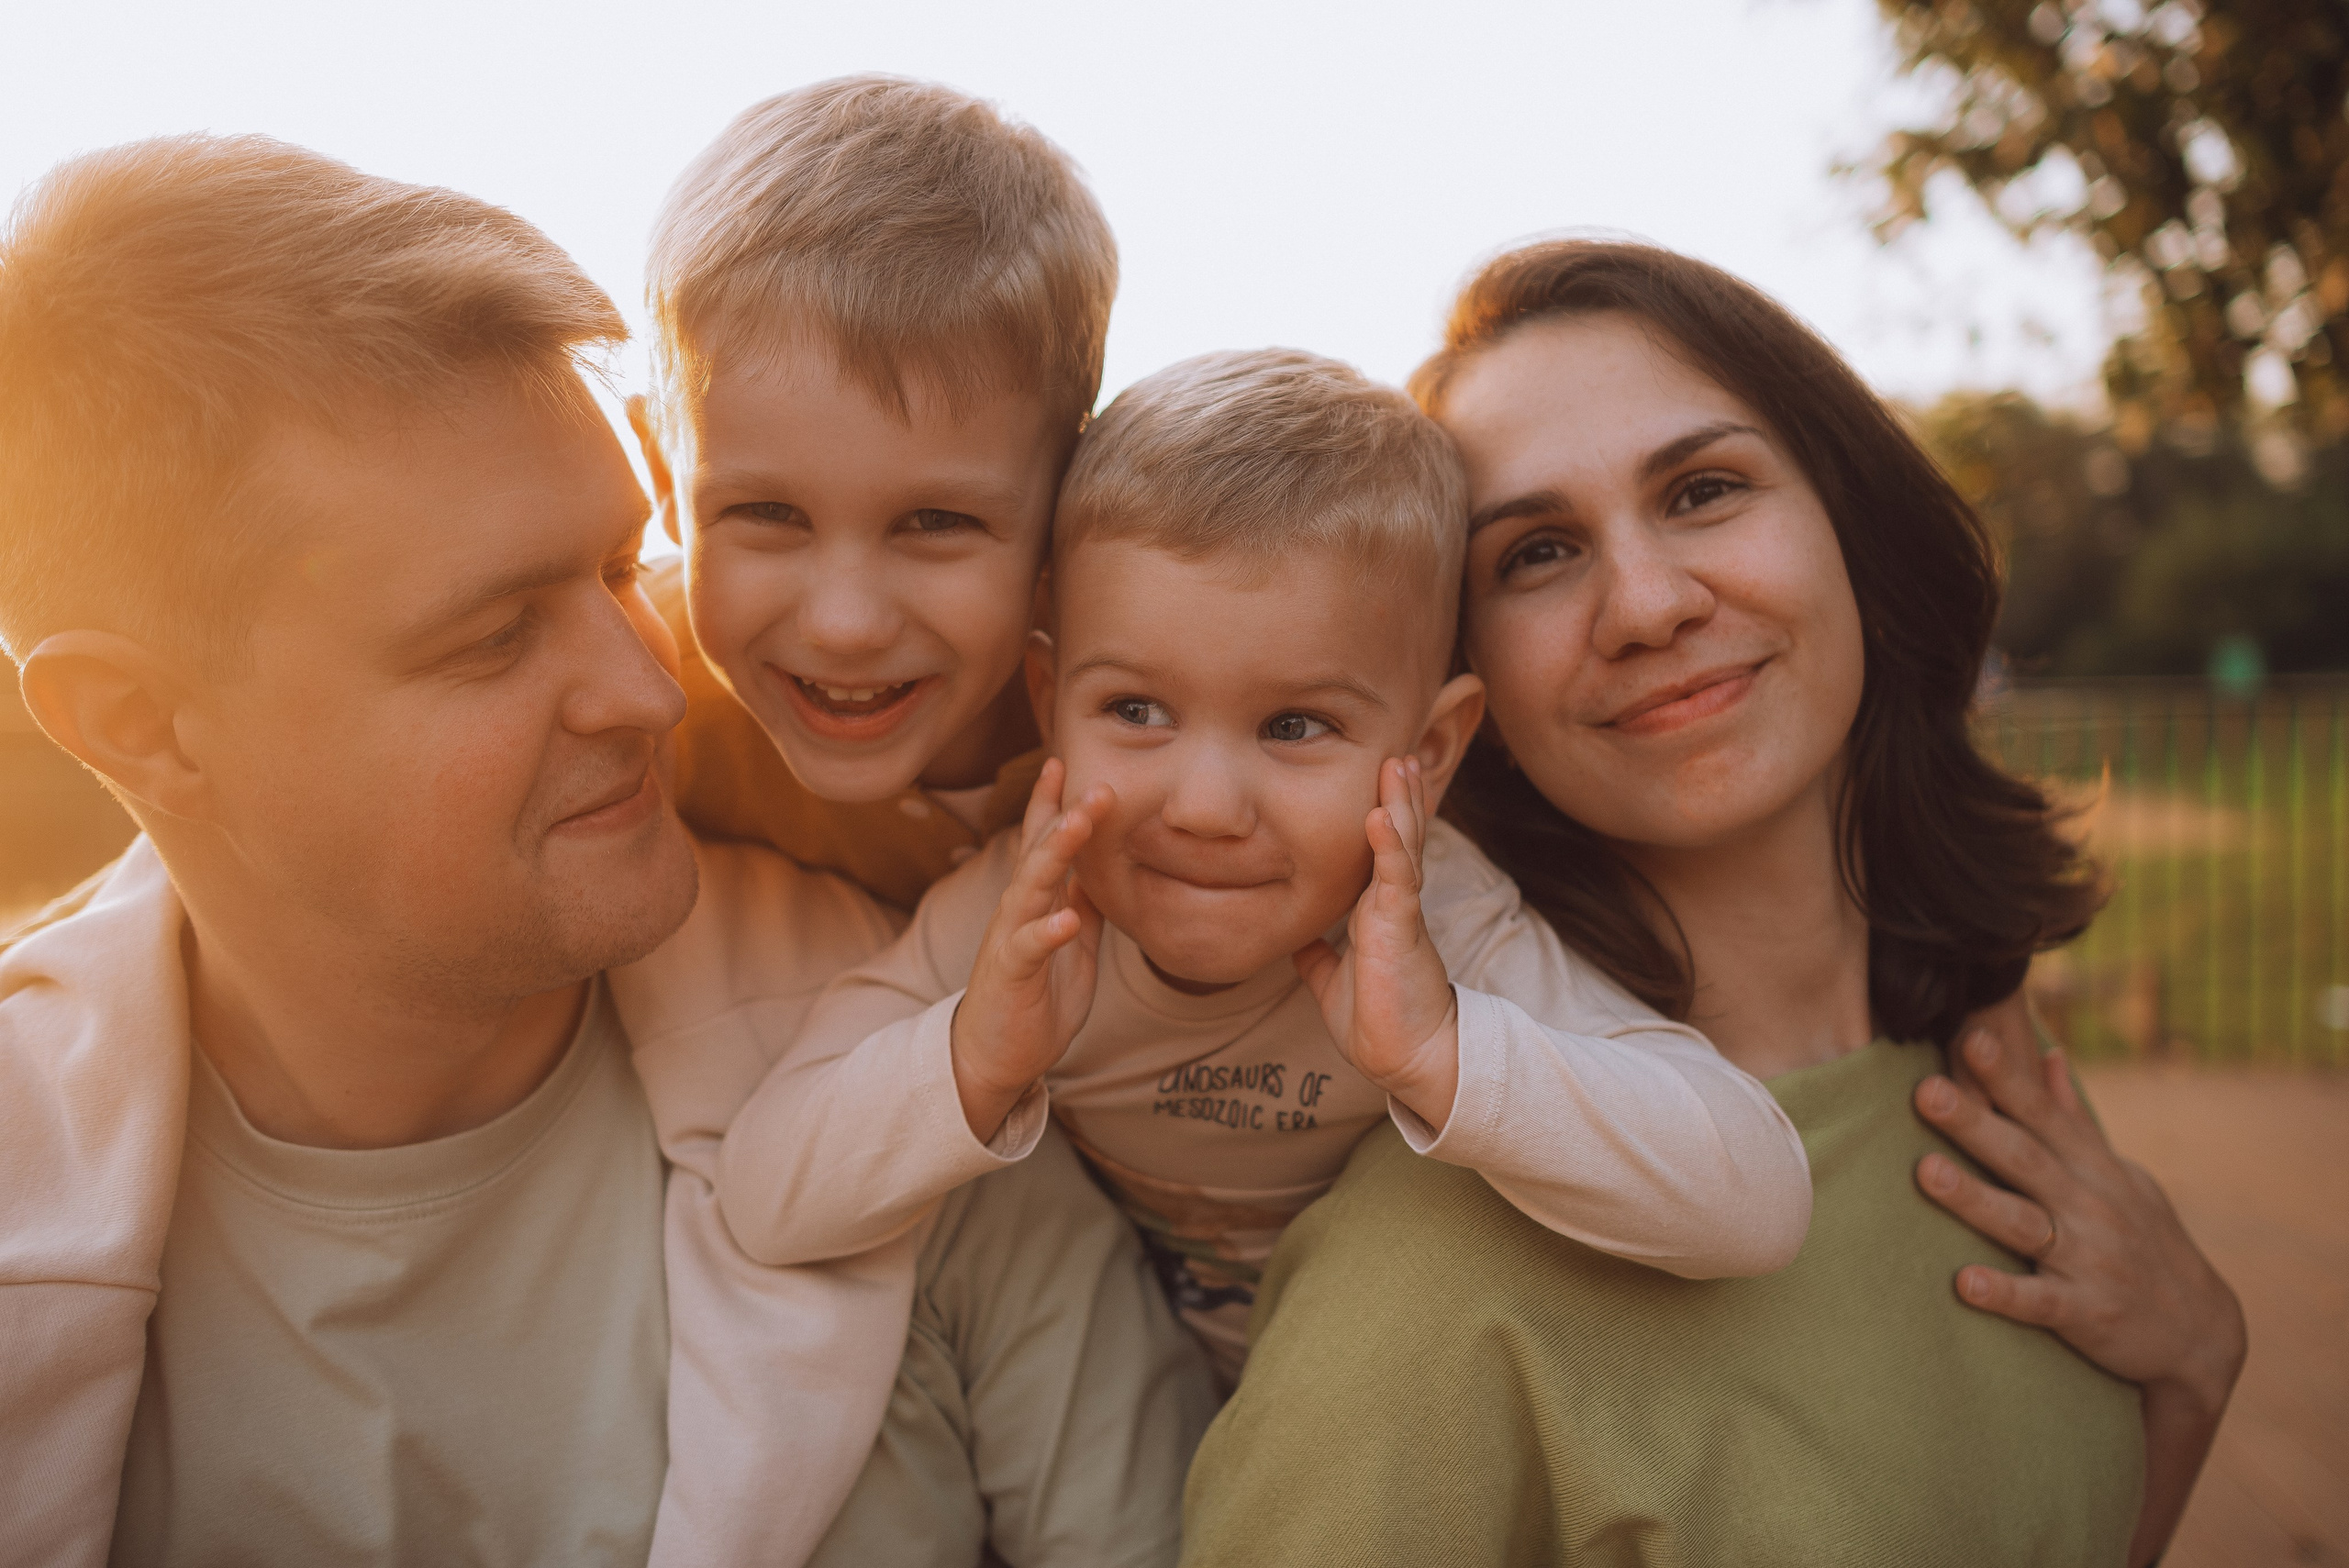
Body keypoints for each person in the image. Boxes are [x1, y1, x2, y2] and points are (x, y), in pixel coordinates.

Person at [0, 134, 1210, 1568]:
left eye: (620, 571)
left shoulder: (913, 1048)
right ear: (143, 725)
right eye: (496, 635)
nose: (653, 689)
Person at [1176, 240, 2245, 1567]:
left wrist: (2197, 1369)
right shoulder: (1435, 1271)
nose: (1645, 603)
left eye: (1704, 489)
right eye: (1539, 553)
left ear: (1851, 523)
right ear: (1464, 695)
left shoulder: (1993, 1104)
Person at [707, 348, 1816, 1391]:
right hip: (1123, 1398)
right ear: (1050, 706)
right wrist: (971, 1057)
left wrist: (1439, 1050)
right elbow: (760, 1200)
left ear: (1427, 751)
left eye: (1294, 725)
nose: (1201, 808)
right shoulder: (1022, 916)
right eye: (1134, 710)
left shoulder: (1438, 918)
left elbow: (1755, 1202)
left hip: (1381, 1401)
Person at [627, 73, 1110, 912]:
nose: (843, 627)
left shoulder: (1156, 703)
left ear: (1069, 500)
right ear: (666, 480)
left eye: (936, 521)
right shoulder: (638, 711)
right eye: (768, 513)